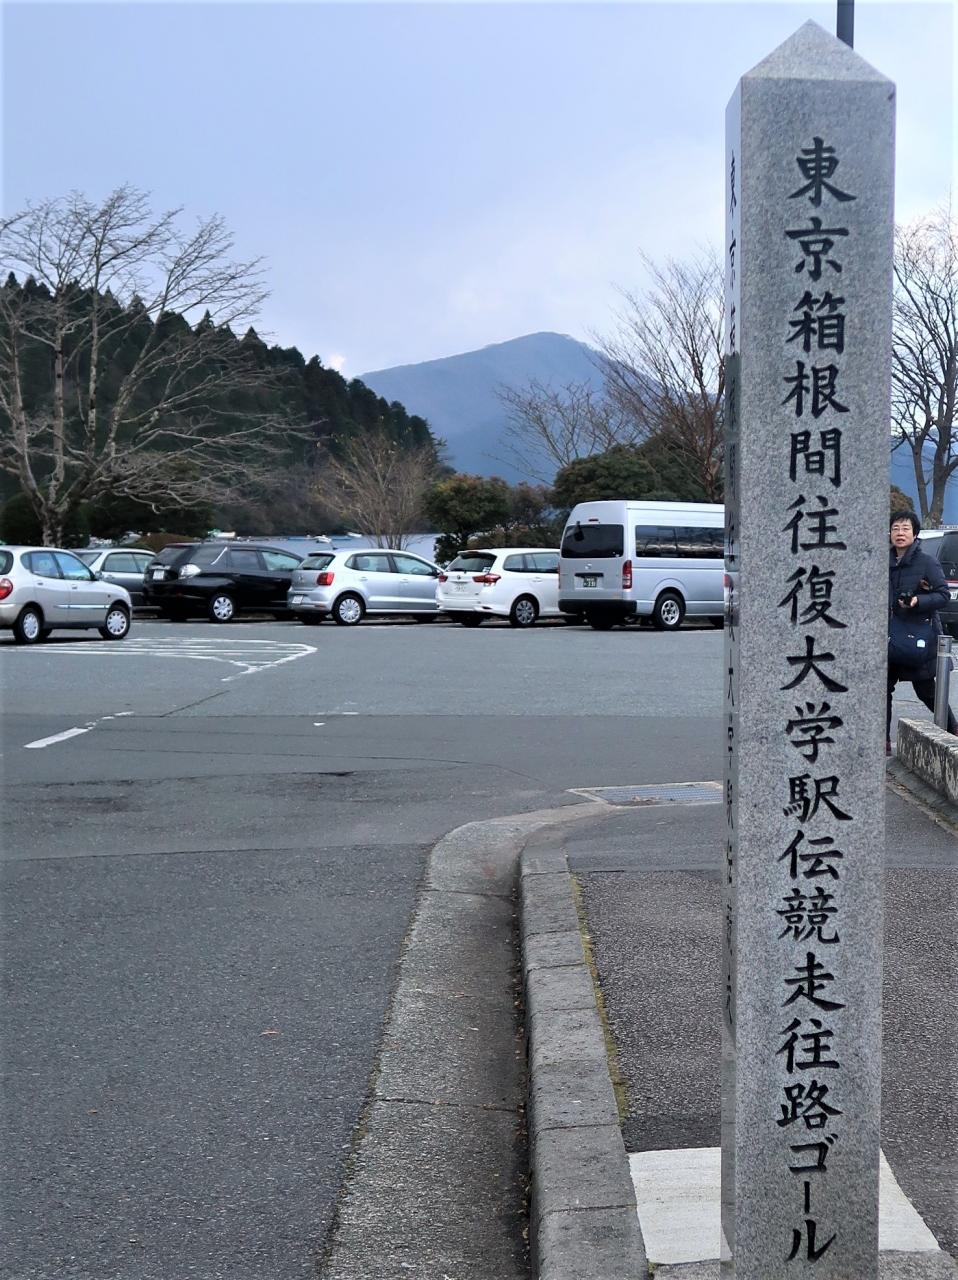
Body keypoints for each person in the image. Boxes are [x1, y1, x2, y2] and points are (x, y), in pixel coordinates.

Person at [887, 509, 957, 754]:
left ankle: (952, 733)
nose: (900, 533)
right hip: (888, 637)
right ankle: (882, 742)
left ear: (914, 533)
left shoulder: (926, 561)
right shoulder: (883, 561)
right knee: (882, 690)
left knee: (925, 689)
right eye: (895, 528)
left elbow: (943, 595)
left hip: (917, 637)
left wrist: (918, 601)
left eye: (905, 528)